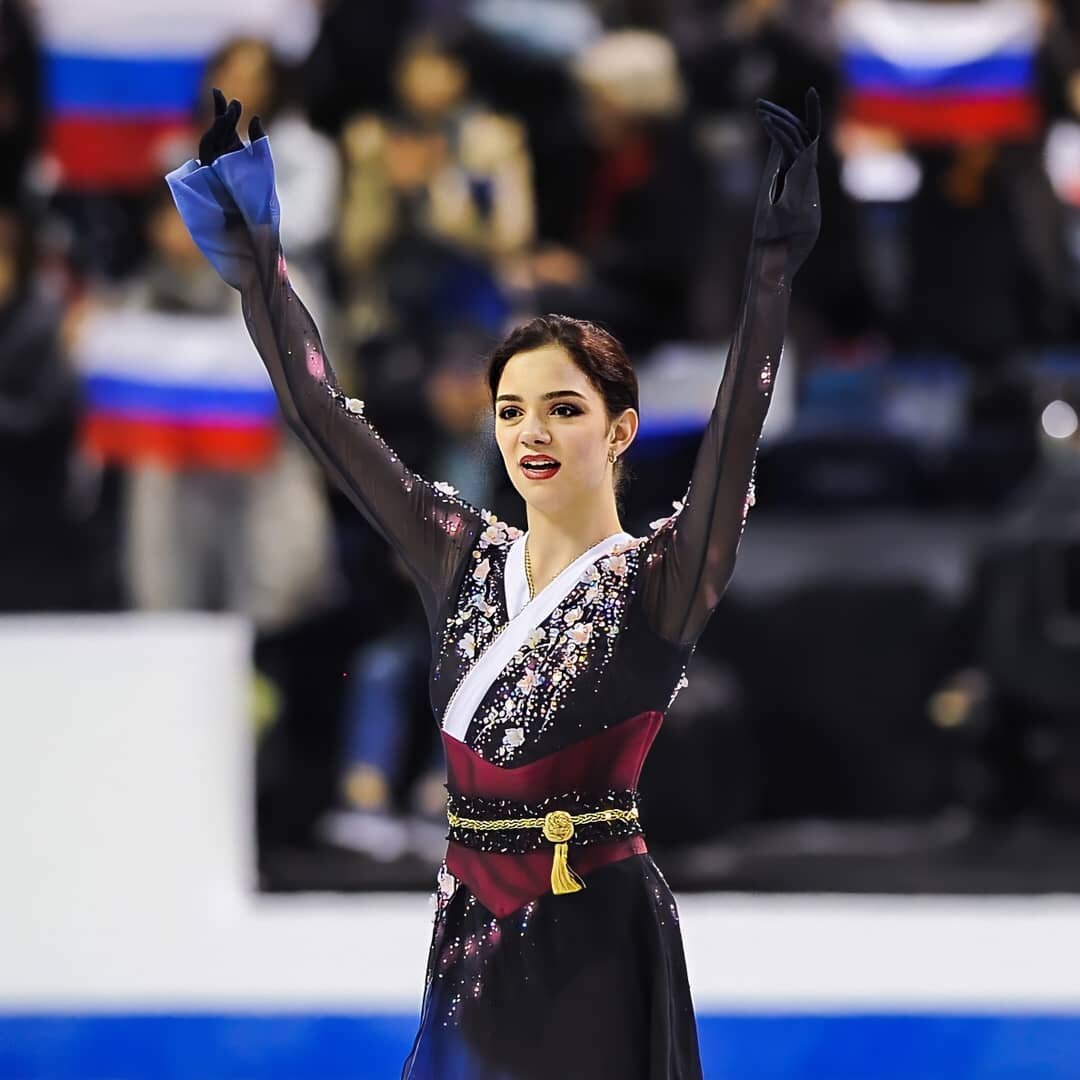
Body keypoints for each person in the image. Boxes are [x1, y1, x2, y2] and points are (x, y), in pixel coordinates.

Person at [167, 86, 820, 1080]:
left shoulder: (661, 578)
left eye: (562, 408)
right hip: (471, 932)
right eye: (512, 411)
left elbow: (733, 438)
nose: (532, 434)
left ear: (620, 428)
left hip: (598, 940)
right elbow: (321, 413)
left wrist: (769, 274)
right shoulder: (457, 551)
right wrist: (259, 265)